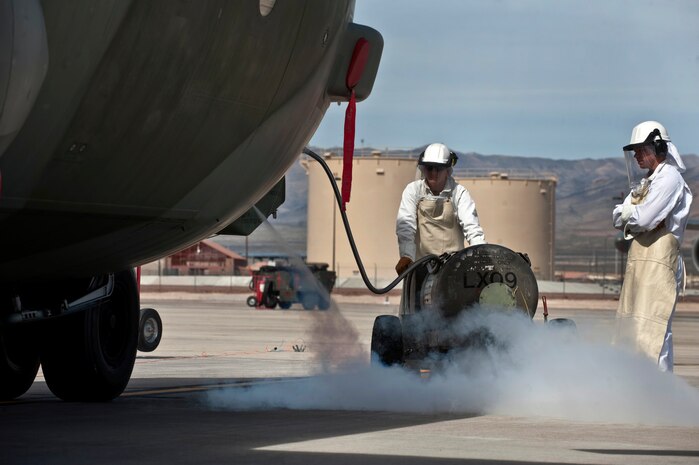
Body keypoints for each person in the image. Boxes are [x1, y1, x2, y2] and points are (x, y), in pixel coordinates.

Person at [612, 120, 692, 372]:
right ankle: (636, 386)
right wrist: (632, 214)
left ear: (658, 148)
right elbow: (617, 216)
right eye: (634, 150)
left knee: (654, 327)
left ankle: (659, 388)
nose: (636, 155)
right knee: (632, 325)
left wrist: (630, 215)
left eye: (641, 149)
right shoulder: (647, 182)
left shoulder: (670, 179)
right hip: (640, 260)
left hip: (659, 261)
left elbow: (644, 218)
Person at [395, 142, 486, 276]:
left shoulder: (459, 193)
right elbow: (405, 224)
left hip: (454, 270)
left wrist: (481, 258)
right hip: (422, 269)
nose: (433, 173)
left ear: (447, 170)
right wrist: (406, 255)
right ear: (423, 168)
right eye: (430, 168)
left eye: (438, 169)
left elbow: (472, 227)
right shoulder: (413, 191)